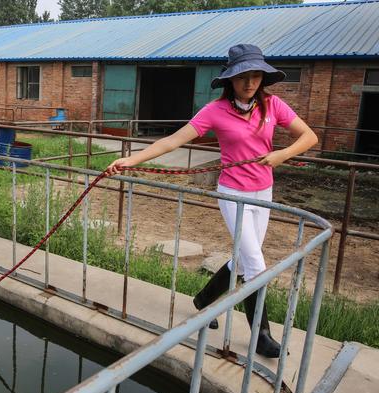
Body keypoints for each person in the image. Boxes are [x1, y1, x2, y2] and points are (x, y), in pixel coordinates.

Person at [106, 44, 317, 358]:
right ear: (230, 79)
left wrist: (281, 155)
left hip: (264, 192)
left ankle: (204, 300)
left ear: (263, 77)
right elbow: (173, 140)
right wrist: (131, 160)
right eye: (243, 76)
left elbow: (310, 137)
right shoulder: (215, 111)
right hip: (233, 194)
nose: (249, 83)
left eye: (256, 75)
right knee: (256, 266)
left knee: (244, 260)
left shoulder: (273, 106)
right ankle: (261, 336)